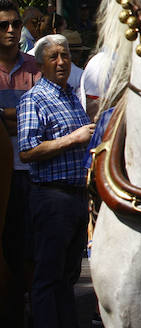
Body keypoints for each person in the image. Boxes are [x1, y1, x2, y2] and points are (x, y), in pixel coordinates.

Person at [17, 34, 95, 328]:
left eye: (65, 56)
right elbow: (27, 151)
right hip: (51, 197)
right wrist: (73, 138)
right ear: (41, 65)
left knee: (68, 276)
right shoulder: (34, 100)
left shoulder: (71, 95)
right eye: (54, 57)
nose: (62, 62)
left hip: (75, 196)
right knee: (49, 275)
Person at [0, 0, 41, 328]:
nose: (12, 30)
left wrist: (5, 117)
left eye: (15, 24)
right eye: (4, 26)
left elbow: (40, 117)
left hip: (31, 172)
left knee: (30, 248)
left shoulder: (35, 68)